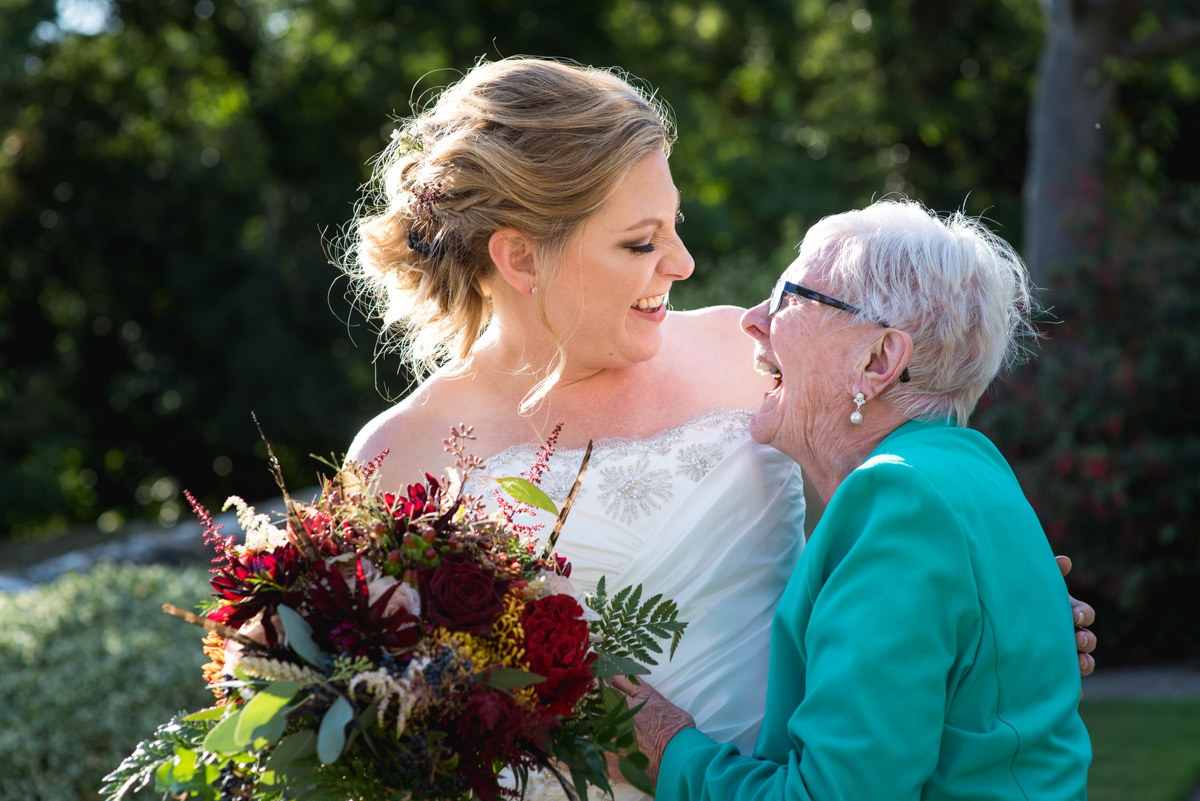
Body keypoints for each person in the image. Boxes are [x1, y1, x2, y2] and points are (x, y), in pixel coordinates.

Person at [342, 58, 1095, 800]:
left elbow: (888, 547)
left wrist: (988, 621)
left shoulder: (747, 359)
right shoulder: (400, 457)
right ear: (519, 255)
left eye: (676, 226)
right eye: (641, 242)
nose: (684, 261)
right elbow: (379, 724)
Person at [615, 199, 1093, 800]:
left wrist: (663, 746)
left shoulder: (898, 500)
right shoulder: (970, 466)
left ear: (877, 360)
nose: (753, 319)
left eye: (788, 299)